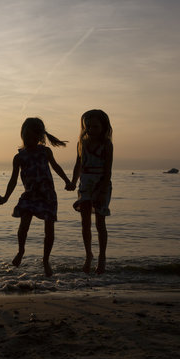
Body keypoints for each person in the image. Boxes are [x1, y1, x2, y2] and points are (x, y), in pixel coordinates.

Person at [2, 117, 72, 277]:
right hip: (30, 196)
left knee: (49, 230)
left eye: (34, 138)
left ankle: (46, 260)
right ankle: (21, 251)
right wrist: (6, 196)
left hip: (47, 195)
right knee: (23, 225)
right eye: (27, 137)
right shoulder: (19, 157)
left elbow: (56, 167)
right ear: (22, 135)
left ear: (40, 138)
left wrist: (67, 181)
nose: (30, 141)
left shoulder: (45, 152)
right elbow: (13, 180)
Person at [68, 109, 113, 275]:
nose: (91, 130)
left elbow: (108, 170)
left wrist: (102, 191)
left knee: (100, 223)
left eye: (95, 126)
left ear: (103, 126)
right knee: (85, 222)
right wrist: (73, 182)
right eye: (88, 126)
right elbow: (78, 165)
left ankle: (102, 257)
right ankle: (88, 254)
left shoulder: (107, 144)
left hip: (101, 184)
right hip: (85, 184)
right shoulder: (82, 143)